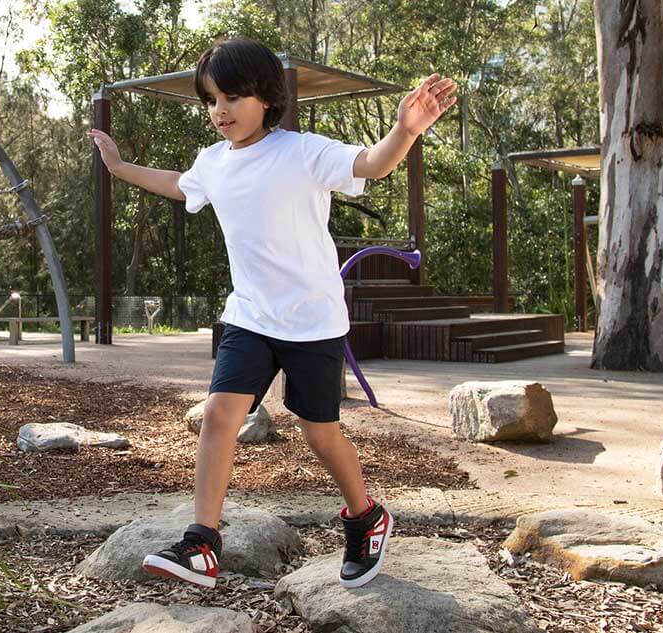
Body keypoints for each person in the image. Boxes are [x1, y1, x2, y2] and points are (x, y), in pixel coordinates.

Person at [87, 37, 458, 589]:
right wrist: (118, 168)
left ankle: (366, 516)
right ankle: (202, 544)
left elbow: (373, 164)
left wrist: (405, 129)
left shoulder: (303, 151)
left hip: (313, 321)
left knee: (320, 433)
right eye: (211, 99)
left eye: (233, 96)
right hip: (251, 317)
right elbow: (175, 184)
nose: (221, 110)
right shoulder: (212, 163)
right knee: (218, 415)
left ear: (266, 96)